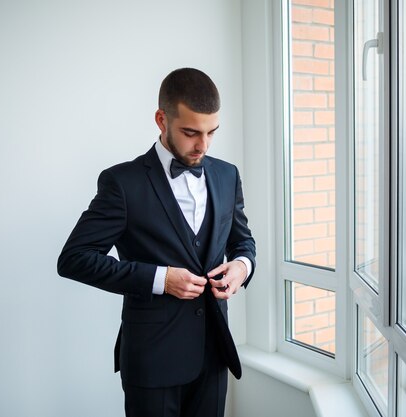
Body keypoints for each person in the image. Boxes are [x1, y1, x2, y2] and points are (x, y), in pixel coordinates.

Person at [57, 67, 256, 417]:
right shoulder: (122, 183)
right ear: (161, 119)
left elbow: (243, 241)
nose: (203, 145)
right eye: (191, 132)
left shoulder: (228, 174)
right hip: (152, 360)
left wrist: (242, 267)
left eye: (212, 132)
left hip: (214, 355)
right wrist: (161, 279)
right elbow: (74, 258)